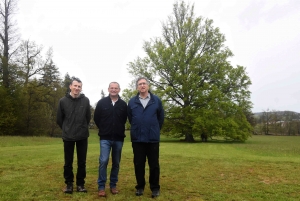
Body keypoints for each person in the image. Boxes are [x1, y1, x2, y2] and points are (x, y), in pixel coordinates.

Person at [127, 77, 164, 198]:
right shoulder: (132, 102)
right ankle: (140, 187)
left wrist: (154, 129)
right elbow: (131, 118)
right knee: (138, 164)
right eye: (140, 84)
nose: (142, 86)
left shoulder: (156, 100)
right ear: (137, 87)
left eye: (144, 83)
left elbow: (160, 118)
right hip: (137, 138)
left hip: (152, 138)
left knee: (154, 164)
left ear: (148, 86)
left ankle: (155, 188)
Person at [56, 77, 91, 194]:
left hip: (82, 136)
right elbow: (59, 119)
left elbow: (88, 117)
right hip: (68, 137)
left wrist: (82, 127)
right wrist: (67, 129)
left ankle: (80, 184)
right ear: (70, 86)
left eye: (79, 86)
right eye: (75, 86)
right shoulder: (63, 101)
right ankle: (69, 184)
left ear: (81, 88)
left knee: (82, 162)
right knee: (68, 162)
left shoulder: (85, 100)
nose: (77, 88)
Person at [94, 82, 128, 197]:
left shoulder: (123, 105)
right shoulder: (102, 103)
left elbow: (123, 120)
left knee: (116, 163)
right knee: (103, 161)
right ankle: (101, 187)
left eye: (116, 88)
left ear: (119, 90)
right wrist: (104, 128)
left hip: (118, 138)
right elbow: (97, 118)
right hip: (105, 138)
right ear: (108, 89)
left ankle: (113, 185)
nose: (113, 90)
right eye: (112, 88)